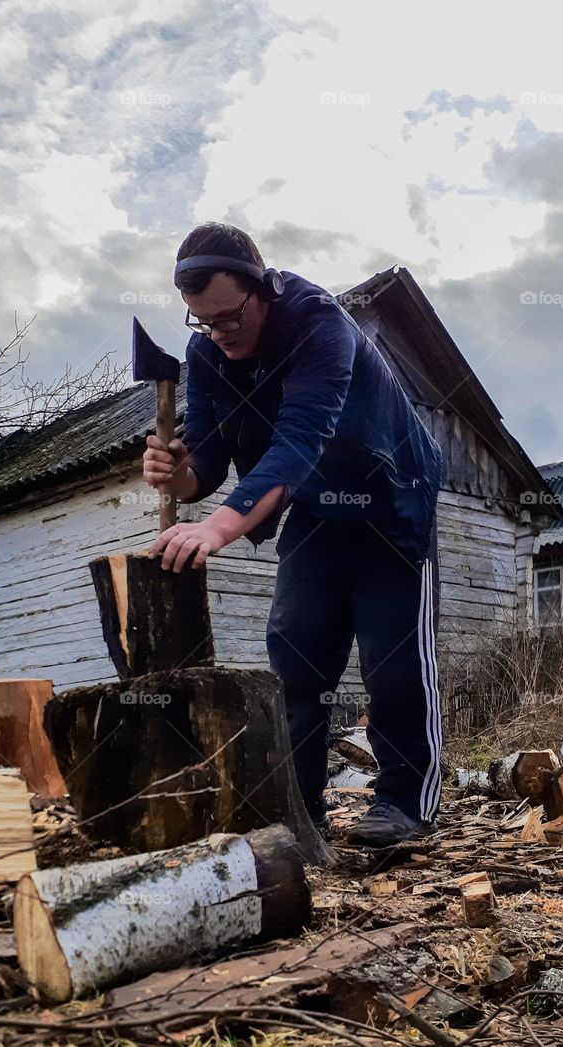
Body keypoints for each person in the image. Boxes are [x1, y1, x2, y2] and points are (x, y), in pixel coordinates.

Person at [142, 221, 444, 846]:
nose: (219, 334)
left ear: (263, 291)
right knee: (296, 659)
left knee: (392, 663)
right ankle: (299, 812)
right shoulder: (207, 356)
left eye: (229, 317)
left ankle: (405, 805)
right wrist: (179, 474)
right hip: (314, 511)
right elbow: (209, 458)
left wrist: (218, 528)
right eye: (203, 321)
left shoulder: (319, 324)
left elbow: (299, 441)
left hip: (392, 504)